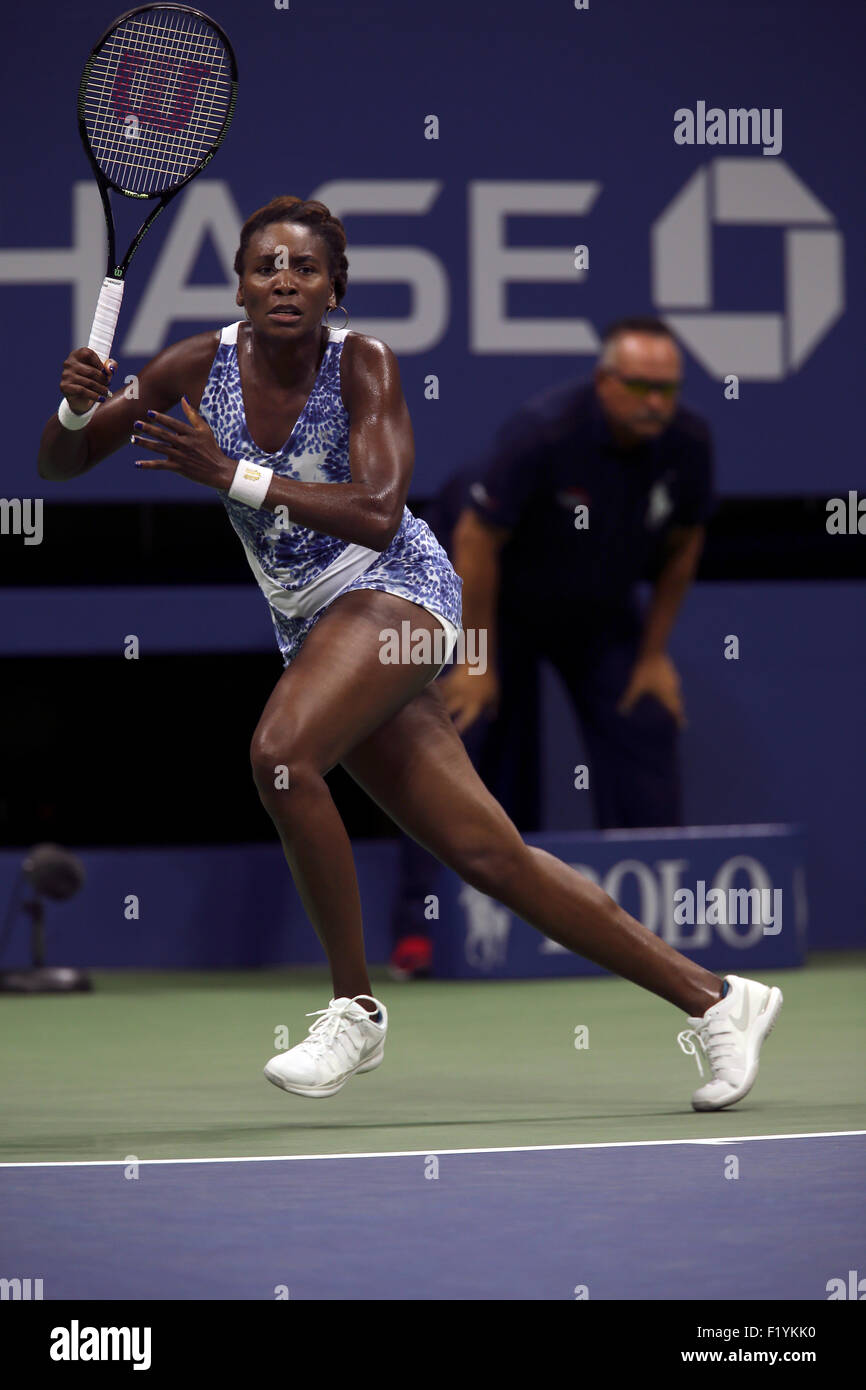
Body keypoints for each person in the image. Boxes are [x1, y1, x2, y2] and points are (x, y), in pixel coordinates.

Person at [37, 197, 782, 1113]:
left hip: (401, 594)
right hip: (314, 625)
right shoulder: (199, 367)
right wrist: (76, 410)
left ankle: (353, 1007)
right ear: (239, 284)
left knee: (281, 755)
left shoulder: (366, 366)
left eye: (305, 268)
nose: (284, 279)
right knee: (489, 855)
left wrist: (230, 473)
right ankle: (718, 1000)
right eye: (266, 265)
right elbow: (59, 467)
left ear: (332, 289)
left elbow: (379, 510)